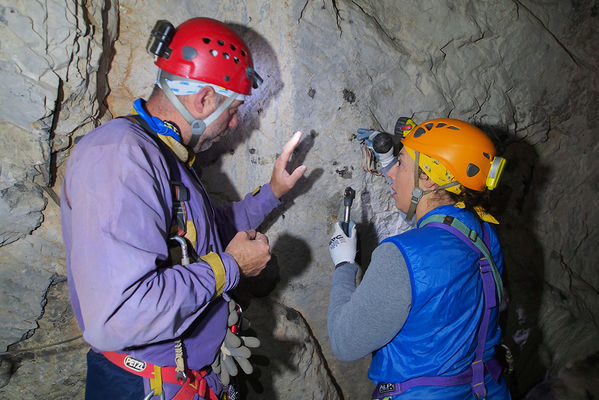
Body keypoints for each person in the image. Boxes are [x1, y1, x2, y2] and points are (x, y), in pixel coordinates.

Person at [61, 17, 306, 400]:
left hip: (187, 377)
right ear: (204, 99)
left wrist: (272, 192)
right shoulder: (118, 158)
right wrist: (232, 268)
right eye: (233, 108)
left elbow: (207, 231)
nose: (236, 121)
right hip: (147, 385)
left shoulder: (164, 154)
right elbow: (120, 315)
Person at [327, 118, 511, 399]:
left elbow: (344, 342)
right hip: (487, 388)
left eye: (400, 164)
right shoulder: (484, 233)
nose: (391, 174)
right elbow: (438, 230)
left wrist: (343, 266)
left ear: (427, 178)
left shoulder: (399, 256)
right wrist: (389, 159)